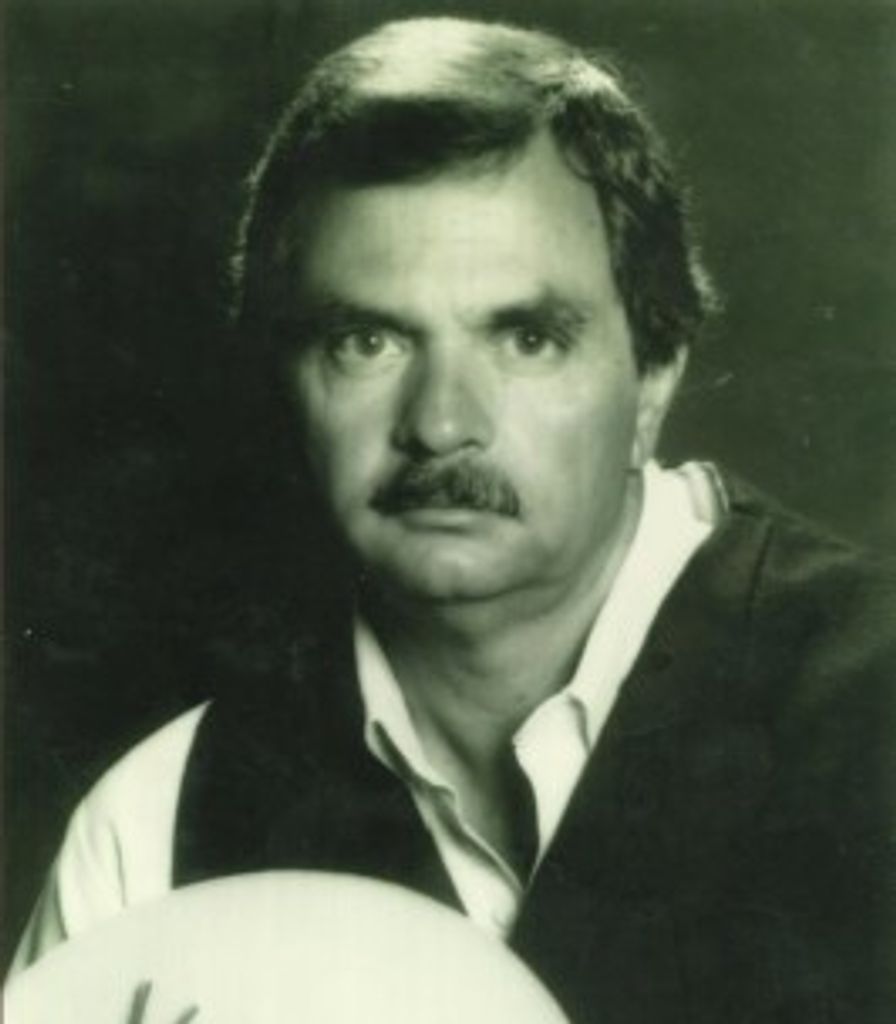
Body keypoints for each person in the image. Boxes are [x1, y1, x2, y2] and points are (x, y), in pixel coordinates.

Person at [11, 16, 895, 1024]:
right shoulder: (156, 831)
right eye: (367, 341)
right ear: (285, 378)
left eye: (525, 338)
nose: (439, 424)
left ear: (653, 374)